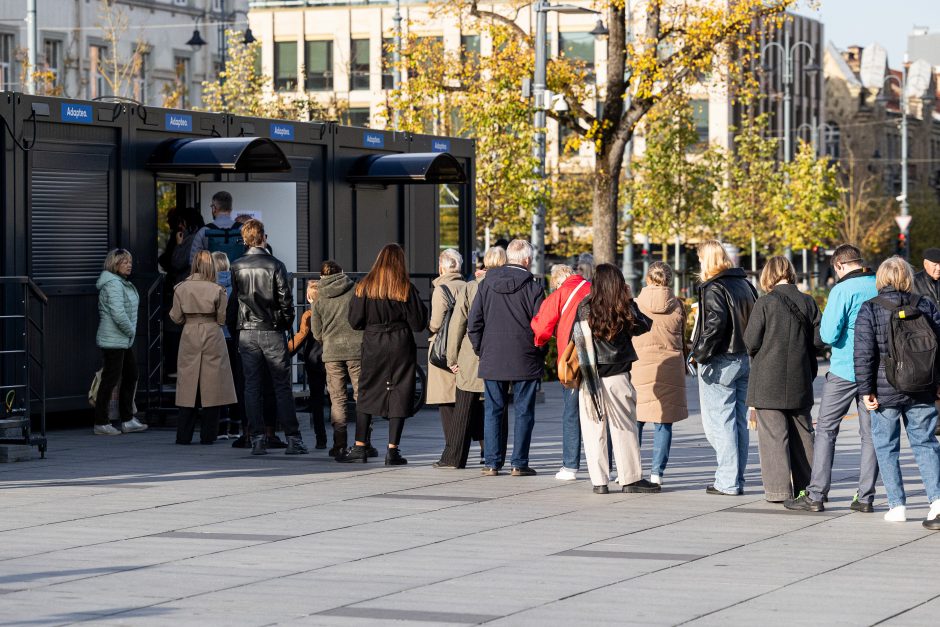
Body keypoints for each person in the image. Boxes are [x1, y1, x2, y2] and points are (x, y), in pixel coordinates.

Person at [785, 244, 879, 513]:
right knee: (870, 435)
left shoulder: (842, 290)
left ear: (839, 265)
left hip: (844, 369)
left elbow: (827, 335)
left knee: (826, 430)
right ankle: (865, 497)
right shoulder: (877, 284)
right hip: (874, 371)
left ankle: (816, 494)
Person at [853, 257, 940, 529]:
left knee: (886, 447)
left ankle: (897, 505)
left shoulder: (870, 309)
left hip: (884, 389)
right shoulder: (925, 305)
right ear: (907, 278)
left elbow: (864, 354)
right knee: (925, 443)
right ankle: (937, 501)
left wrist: (866, 390)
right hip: (922, 388)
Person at [338, 244, 428, 464]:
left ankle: (360, 446)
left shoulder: (364, 286)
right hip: (400, 342)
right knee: (400, 391)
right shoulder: (405, 288)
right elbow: (418, 324)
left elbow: (354, 321)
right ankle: (393, 450)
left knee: (367, 389)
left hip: (373, 342)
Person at [743, 257, 823, 503]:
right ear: (791, 273)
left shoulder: (765, 303)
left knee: (773, 437)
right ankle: (808, 489)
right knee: (803, 435)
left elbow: (751, 341)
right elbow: (819, 341)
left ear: (768, 275)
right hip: (800, 378)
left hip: (767, 380)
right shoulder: (808, 302)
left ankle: (779, 491)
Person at [573, 264, 654, 494]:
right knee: (624, 428)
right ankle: (630, 479)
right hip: (617, 374)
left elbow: (577, 339)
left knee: (593, 430)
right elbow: (644, 326)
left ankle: (599, 481)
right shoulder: (622, 306)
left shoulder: (585, 307)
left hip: (590, 377)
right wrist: (630, 301)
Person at [230, 219, 308, 456]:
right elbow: (286, 301)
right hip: (272, 329)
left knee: (251, 387)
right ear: (264, 237)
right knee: (282, 386)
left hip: (247, 331)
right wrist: (284, 324)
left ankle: (256, 438)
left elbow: (236, 300)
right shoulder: (275, 264)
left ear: (244, 239)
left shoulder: (237, 265)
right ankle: (293, 438)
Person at [468, 239, 545, 477]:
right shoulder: (533, 287)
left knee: (493, 410)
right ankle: (518, 463)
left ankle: (491, 462)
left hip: (493, 355)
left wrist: (481, 348)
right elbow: (541, 326)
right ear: (527, 260)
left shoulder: (486, 283)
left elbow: (474, 322)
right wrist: (539, 351)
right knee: (524, 412)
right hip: (525, 356)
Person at [690, 240, 758, 496]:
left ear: (707, 260)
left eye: (699, 259)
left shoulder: (713, 287)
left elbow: (715, 325)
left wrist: (699, 354)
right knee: (738, 421)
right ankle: (735, 477)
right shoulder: (745, 284)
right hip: (744, 358)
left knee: (720, 423)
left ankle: (727, 480)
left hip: (721, 360)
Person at [440, 246, 508, 469]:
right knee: (498, 408)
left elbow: (457, 324)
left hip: (471, 355)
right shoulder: (509, 286)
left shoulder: (471, 287)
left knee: (463, 409)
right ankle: (494, 457)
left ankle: (454, 458)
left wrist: (451, 357)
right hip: (499, 355)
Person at [531, 263, 591, 481]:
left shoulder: (561, 293)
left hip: (572, 359)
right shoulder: (592, 287)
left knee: (571, 413)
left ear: (557, 280)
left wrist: (540, 342)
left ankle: (570, 466)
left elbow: (541, 326)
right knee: (602, 413)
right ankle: (609, 465)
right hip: (599, 359)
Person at [170, 251, 237, 445]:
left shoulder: (181, 288)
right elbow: (222, 318)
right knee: (212, 385)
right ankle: (209, 435)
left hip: (189, 332)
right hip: (212, 332)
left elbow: (175, 316)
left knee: (187, 385)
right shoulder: (217, 289)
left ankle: (183, 435)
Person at [633, 261, 688, 487]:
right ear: (669, 281)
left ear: (647, 279)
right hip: (670, 366)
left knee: (635, 420)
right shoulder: (678, 306)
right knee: (663, 422)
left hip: (639, 366)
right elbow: (682, 338)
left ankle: (632, 469)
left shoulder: (635, 304)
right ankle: (657, 473)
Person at [312, 260, 365, 458]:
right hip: (356, 350)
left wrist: (327, 338)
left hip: (332, 353)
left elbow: (316, 332)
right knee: (362, 396)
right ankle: (363, 442)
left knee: (337, 399)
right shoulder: (356, 290)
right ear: (342, 272)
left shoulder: (319, 297)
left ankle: (339, 445)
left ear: (321, 276)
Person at [93, 249, 147, 435]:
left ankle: (127, 419)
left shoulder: (120, 283)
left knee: (130, 375)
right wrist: (131, 331)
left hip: (121, 339)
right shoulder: (113, 284)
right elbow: (118, 313)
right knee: (110, 379)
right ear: (114, 264)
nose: (129, 265)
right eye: (124, 262)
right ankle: (101, 422)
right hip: (114, 339)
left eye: (129, 261)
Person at [428, 249, 468, 468]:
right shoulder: (469, 287)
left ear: (442, 267)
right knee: (466, 401)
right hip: (465, 348)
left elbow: (436, 323)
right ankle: (475, 449)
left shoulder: (440, 289)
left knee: (446, 402)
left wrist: (429, 328)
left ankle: (451, 451)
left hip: (443, 351)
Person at [288, 280, 328, 449]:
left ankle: (321, 439)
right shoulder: (330, 312)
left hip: (313, 360)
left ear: (308, 297)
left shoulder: (308, 315)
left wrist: (286, 351)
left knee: (316, 401)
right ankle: (340, 439)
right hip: (331, 359)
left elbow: (301, 336)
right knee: (335, 398)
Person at [212, 251, 243, 439]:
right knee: (237, 382)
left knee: (218, 383)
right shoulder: (236, 287)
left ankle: (221, 426)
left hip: (217, 338)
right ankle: (235, 426)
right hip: (235, 338)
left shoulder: (209, 287)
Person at [190, 191, 244, 263]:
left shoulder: (204, 231)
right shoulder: (243, 229)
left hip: (212, 274)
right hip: (238, 273)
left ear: (214, 208)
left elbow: (193, 262)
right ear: (230, 209)